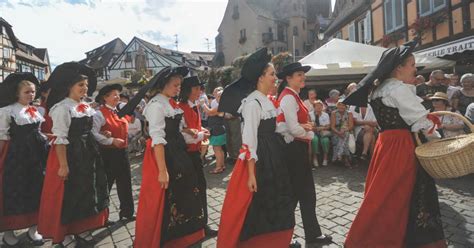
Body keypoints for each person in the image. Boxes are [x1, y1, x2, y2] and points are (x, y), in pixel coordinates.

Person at [343, 39, 446, 247]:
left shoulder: (379, 89)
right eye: (412, 65)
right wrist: (441, 143)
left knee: (385, 195)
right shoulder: (397, 89)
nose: (415, 70)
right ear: (399, 67)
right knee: (407, 194)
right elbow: (421, 122)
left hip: (386, 145)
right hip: (402, 147)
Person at [217, 48, 296, 248]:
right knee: (265, 202)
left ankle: (279, 242)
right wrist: (251, 174)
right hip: (262, 159)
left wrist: (293, 131)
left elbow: (275, 127)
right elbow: (249, 140)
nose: (275, 78)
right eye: (272, 74)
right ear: (260, 78)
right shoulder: (252, 103)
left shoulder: (266, 101)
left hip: (274, 155)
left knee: (280, 198)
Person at [132, 66, 206, 248]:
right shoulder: (157, 105)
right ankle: (167, 240)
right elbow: (157, 139)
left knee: (184, 191)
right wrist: (162, 171)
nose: (179, 88)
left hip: (178, 151)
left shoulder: (169, 102)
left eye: (179, 85)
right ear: (163, 85)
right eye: (175, 85)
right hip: (164, 154)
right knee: (168, 196)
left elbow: (176, 130)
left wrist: (189, 131)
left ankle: (185, 236)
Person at [38, 62, 109, 247]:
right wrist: (63, 165)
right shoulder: (62, 107)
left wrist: (103, 136)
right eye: (81, 85)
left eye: (86, 85)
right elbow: (60, 138)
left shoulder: (84, 106)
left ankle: (82, 228)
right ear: (69, 86)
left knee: (87, 190)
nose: (85, 89)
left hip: (87, 153)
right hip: (69, 154)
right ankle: (66, 233)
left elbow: (88, 130)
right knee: (70, 193)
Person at [276, 62, 332, 246]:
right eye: (299, 74)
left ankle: (305, 235)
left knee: (302, 194)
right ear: (288, 78)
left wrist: (304, 129)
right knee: (300, 194)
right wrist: (308, 132)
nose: (303, 77)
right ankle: (289, 236)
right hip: (293, 150)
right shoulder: (289, 98)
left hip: (296, 149)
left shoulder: (292, 96)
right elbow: (293, 128)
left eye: (303, 74)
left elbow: (294, 127)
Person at [0, 73, 48, 246]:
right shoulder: (6, 111)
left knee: (36, 190)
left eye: (33, 92)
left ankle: (33, 230)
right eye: (27, 92)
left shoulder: (35, 110)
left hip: (36, 156)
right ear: (17, 93)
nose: (31, 95)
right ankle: (8, 232)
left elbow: (37, 132)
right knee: (14, 192)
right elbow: (2, 137)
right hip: (16, 157)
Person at [178, 75, 217, 237]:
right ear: (187, 91)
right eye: (196, 88)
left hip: (194, 154)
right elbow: (182, 136)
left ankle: (203, 224)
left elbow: (194, 130)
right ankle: (194, 226)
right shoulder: (180, 108)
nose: (199, 91)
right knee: (192, 189)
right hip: (185, 155)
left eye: (200, 88)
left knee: (200, 188)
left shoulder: (194, 106)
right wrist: (202, 135)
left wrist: (201, 133)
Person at [92, 84, 135, 223]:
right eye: (114, 95)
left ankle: (127, 213)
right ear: (105, 98)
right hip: (108, 153)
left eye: (118, 94)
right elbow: (93, 134)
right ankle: (101, 217)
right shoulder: (99, 114)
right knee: (105, 185)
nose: (118, 97)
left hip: (122, 152)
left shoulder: (118, 111)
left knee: (125, 183)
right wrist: (110, 140)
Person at [202, 88, 227, 174]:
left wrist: (203, 104)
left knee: (217, 149)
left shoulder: (220, 106)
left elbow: (209, 112)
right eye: (217, 96)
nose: (218, 97)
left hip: (217, 130)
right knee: (219, 149)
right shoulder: (220, 105)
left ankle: (218, 167)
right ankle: (222, 165)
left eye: (220, 96)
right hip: (219, 129)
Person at [330, 100, 354, 168]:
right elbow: (332, 127)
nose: (341, 106)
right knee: (344, 137)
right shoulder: (334, 113)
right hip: (336, 131)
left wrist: (344, 130)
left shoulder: (349, 113)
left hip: (347, 130)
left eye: (343, 105)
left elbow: (351, 126)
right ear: (337, 105)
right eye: (339, 105)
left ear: (346, 106)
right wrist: (338, 133)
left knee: (345, 134)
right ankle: (346, 159)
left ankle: (338, 156)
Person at [311, 100, 331, 167]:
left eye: (320, 106)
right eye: (317, 106)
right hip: (313, 132)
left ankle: (325, 158)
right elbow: (309, 125)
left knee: (325, 140)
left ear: (322, 107)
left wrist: (322, 128)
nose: (319, 107)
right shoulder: (310, 114)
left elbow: (328, 126)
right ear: (314, 107)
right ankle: (315, 158)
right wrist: (315, 127)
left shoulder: (326, 115)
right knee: (314, 140)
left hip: (323, 132)